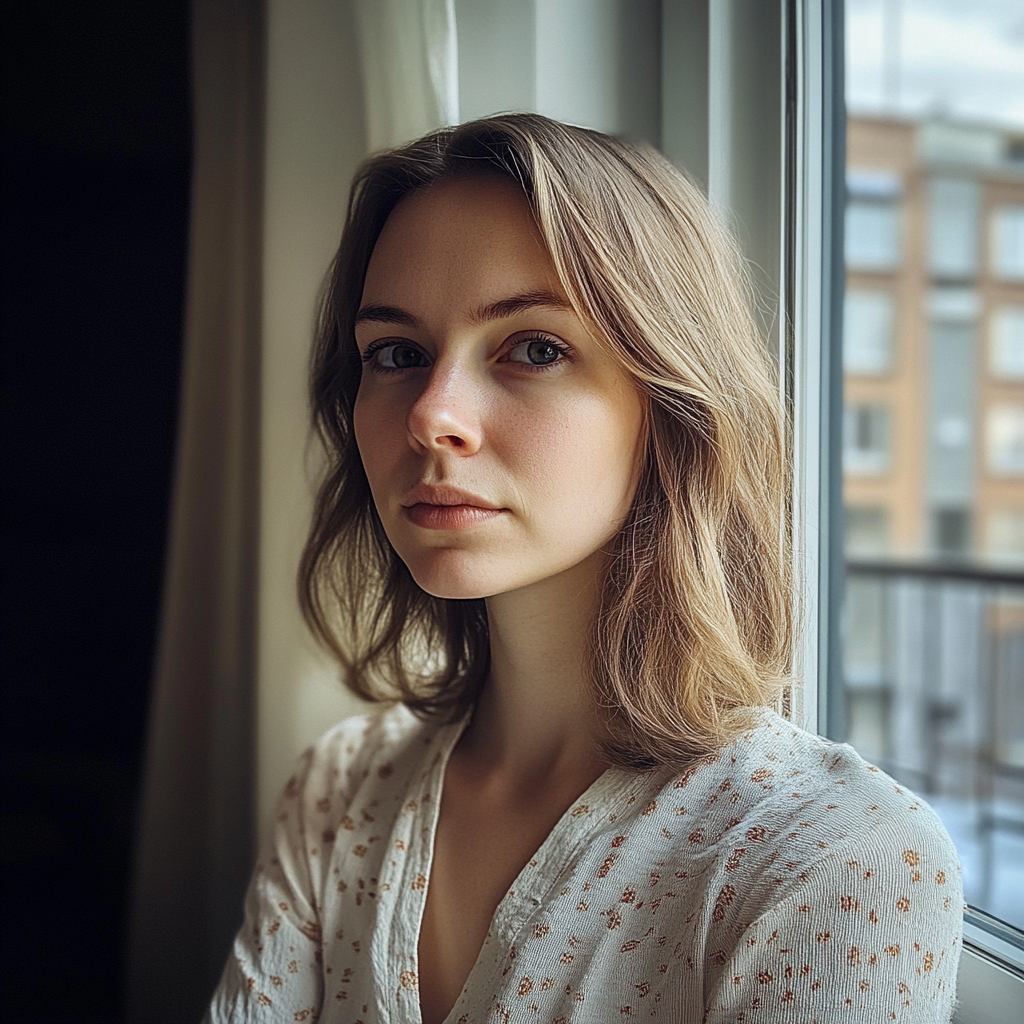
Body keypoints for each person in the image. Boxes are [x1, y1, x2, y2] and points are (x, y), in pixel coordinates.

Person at [205, 114, 962, 1023]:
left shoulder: (830, 860)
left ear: (673, 402)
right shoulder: (340, 792)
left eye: (533, 348)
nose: (432, 416)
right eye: (396, 354)